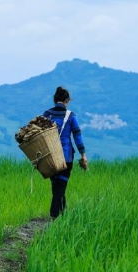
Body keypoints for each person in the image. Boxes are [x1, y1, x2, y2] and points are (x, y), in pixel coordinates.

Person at [43, 86, 88, 219]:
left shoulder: (46, 115)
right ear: (67, 100)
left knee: (56, 186)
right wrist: (83, 154)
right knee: (61, 186)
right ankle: (54, 215)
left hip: (50, 157)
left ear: (55, 100)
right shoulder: (71, 116)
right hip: (66, 157)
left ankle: (63, 215)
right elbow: (77, 136)